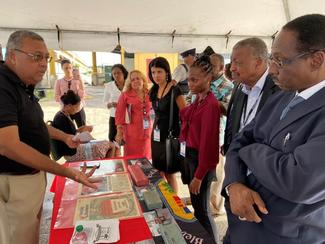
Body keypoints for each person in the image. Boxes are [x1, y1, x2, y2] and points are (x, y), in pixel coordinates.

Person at [222, 14, 325, 244]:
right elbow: (239, 140)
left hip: (281, 236)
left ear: (316, 60)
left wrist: (251, 150)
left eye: (280, 61)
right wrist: (234, 183)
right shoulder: (283, 97)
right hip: (240, 228)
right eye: (272, 60)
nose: (271, 70)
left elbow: (298, 181)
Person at [0, 30, 98, 244]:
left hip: (31, 179)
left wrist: (64, 137)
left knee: (31, 234)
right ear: (12, 56)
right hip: (14, 182)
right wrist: (65, 171)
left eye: (47, 57)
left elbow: (35, 125)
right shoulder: (3, 85)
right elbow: (8, 145)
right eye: (36, 57)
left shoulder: (23, 85)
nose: (44, 63)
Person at [179, 55, 220, 242]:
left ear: (208, 79)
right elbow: (185, 114)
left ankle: (211, 240)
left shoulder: (210, 105)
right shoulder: (198, 100)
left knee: (202, 210)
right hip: (191, 156)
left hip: (200, 161)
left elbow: (209, 145)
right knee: (197, 207)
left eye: (194, 79)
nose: (190, 83)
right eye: (189, 79)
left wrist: (199, 175)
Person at [223, 37, 280, 155]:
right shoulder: (239, 87)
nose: (232, 68)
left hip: (260, 167)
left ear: (258, 62)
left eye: (237, 62)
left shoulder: (281, 90)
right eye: (231, 62)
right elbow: (233, 124)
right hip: (236, 164)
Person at [148, 57, 186, 193]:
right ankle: (165, 198)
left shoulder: (175, 90)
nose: (156, 76)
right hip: (157, 134)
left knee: (170, 172)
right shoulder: (153, 90)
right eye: (153, 72)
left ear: (167, 72)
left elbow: (185, 113)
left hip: (170, 134)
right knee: (158, 170)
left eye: (159, 72)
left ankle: (174, 203)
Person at [52, 90, 114, 161]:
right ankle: (108, 166)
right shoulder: (61, 119)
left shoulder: (64, 115)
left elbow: (71, 133)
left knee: (108, 143)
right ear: (69, 106)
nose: (78, 109)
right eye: (77, 106)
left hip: (72, 149)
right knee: (111, 145)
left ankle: (107, 165)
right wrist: (83, 132)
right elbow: (71, 139)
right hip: (72, 153)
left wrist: (81, 130)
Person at [208, 53, 234, 217]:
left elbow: (230, 110)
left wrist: (212, 103)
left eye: (213, 66)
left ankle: (216, 206)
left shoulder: (228, 86)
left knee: (218, 174)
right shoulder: (203, 82)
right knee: (205, 172)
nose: (209, 68)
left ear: (222, 68)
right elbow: (189, 101)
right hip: (201, 136)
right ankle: (205, 202)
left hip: (218, 137)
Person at [115, 70, 153, 159]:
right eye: (133, 80)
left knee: (146, 158)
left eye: (138, 78)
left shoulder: (150, 93)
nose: (136, 81)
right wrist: (119, 132)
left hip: (147, 131)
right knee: (132, 159)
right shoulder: (125, 95)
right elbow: (119, 114)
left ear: (143, 80)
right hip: (132, 133)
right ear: (130, 83)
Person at [54, 59, 86, 127]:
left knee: (82, 129)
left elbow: (82, 95)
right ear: (62, 69)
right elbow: (56, 97)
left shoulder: (78, 80)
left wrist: (79, 80)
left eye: (70, 68)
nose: (68, 70)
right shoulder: (59, 82)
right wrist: (66, 100)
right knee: (68, 131)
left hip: (78, 109)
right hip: (66, 111)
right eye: (66, 68)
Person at [103, 64, 128, 141]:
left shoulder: (129, 84)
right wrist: (111, 104)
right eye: (114, 73)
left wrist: (123, 105)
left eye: (119, 72)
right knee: (113, 139)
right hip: (114, 116)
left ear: (123, 73)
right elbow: (105, 101)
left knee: (127, 139)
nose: (116, 75)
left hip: (128, 116)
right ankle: (116, 153)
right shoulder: (109, 86)